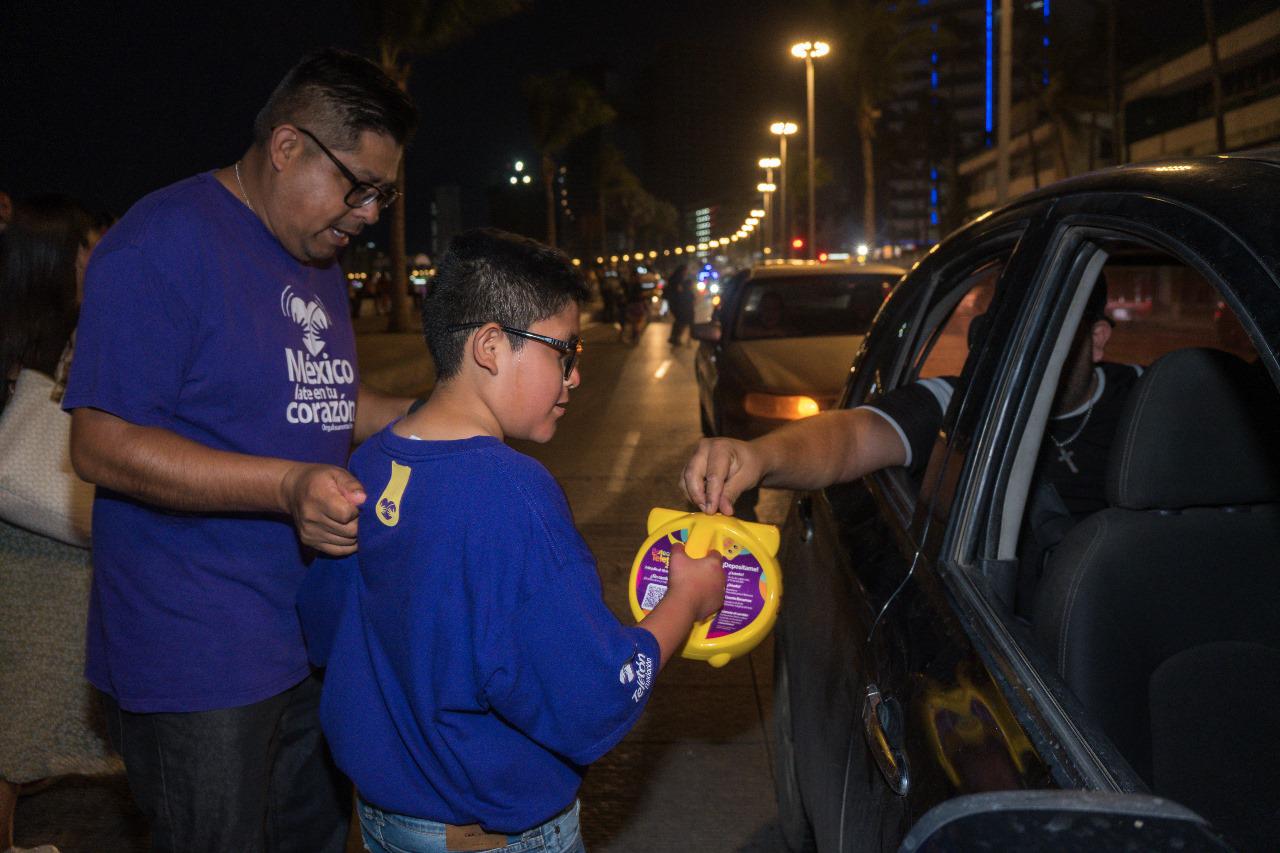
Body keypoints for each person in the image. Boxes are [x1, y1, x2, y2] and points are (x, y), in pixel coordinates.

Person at [61, 49, 419, 853]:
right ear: (288, 145)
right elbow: (101, 441)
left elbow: (305, 395)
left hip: (309, 628)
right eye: (357, 185)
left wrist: (425, 414)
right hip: (199, 651)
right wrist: (289, 486)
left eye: (382, 194)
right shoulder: (161, 245)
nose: (367, 213)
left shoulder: (312, 251)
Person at [297, 228, 727, 853]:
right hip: (491, 837)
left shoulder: (364, 468)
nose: (574, 378)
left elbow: (324, 629)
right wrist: (687, 599)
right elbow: (590, 695)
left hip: (377, 824)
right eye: (564, 353)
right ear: (491, 347)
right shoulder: (512, 493)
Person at [683, 280, 1137, 605]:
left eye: (1050, 338)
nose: (1025, 357)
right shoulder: (960, 402)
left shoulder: (1155, 403)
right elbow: (851, 437)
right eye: (1010, 337)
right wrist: (760, 455)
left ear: (1096, 340)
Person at [0, 195, 117, 853]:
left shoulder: (25, 333)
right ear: (51, 260)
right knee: (11, 722)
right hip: (29, 560)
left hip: (30, 551)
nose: (96, 259)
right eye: (86, 248)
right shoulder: (66, 339)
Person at [666, 262, 694, 346]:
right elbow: (679, 291)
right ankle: (675, 337)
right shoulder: (678, 279)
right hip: (678, 303)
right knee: (681, 320)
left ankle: (674, 337)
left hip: (674, 302)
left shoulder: (674, 278)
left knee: (679, 320)